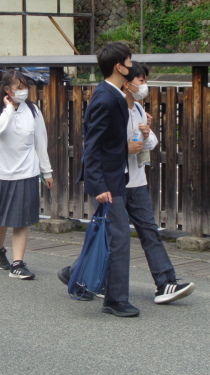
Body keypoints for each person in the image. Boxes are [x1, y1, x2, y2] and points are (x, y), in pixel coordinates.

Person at [59, 42, 139, 317]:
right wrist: (100, 184)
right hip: (107, 179)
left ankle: (75, 272)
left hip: (112, 175)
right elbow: (91, 145)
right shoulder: (106, 97)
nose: (132, 66)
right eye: (129, 62)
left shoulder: (110, 93)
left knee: (110, 235)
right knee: (118, 238)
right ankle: (115, 300)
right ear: (119, 67)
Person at [122, 61, 195, 303]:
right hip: (116, 183)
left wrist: (145, 133)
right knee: (110, 236)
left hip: (138, 182)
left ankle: (165, 284)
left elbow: (152, 143)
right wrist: (126, 147)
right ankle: (79, 273)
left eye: (144, 79)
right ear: (126, 83)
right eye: (140, 80)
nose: (144, 85)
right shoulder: (113, 110)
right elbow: (100, 146)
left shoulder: (140, 110)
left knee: (150, 232)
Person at [0, 69, 54, 280]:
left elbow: (41, 142)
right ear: (7, 90)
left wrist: (46, 171)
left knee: (21, 220)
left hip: (26, 171)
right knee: (0, 218)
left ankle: (18, 263)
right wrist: (10, 109)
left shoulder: (34, 111)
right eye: (19, 88)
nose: (23, 92)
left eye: (25, 87)